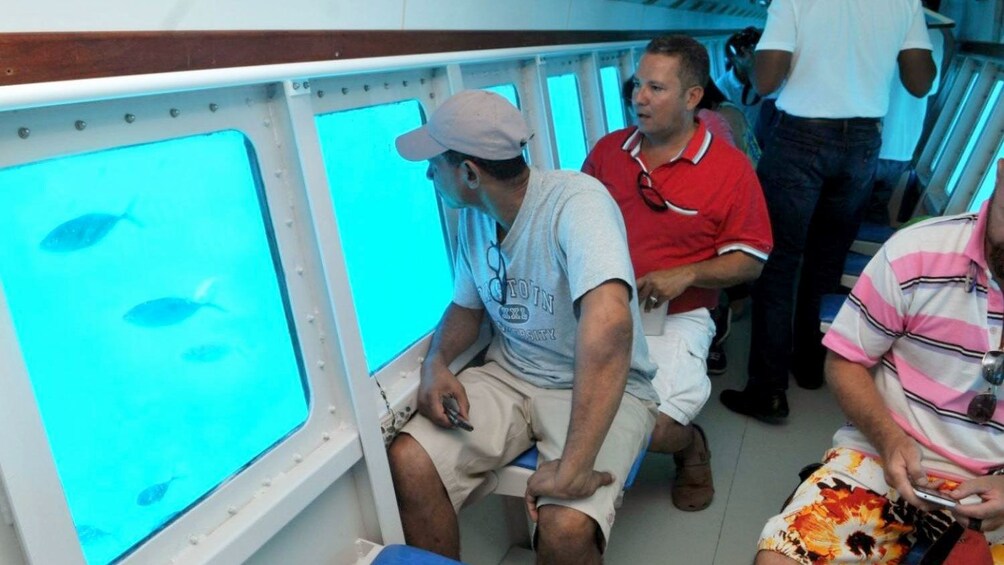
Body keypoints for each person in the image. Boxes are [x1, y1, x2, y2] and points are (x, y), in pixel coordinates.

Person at [387, 89, 659, 563]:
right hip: (511, 374)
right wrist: (436, 362)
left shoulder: (577, 202)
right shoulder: (475, 218)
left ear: (470, 173)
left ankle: (688, 447)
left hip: (592, 385)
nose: (429, 173)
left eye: (436, 163)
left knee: (566, 529)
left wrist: (574, 467)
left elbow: (611, 322)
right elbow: (466, 309)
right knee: (410, 461)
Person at [755, 159, 1004, 564]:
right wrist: (890, 439)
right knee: (780, 559)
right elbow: (844, 362)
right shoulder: (916, 253)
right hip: (885, 455)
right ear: (1001, 172)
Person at [723, 0, 937, 423]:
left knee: (777, 262)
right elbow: (920, 82)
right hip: (861, 144)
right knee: (826, 262)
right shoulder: (904, 3)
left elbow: (764, 81)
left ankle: (767, 389)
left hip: (801, 138)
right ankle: (808, 365)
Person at [583, 35, 773, 513]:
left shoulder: (730, 170)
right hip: (603, 309)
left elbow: (751, 259)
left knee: (654, 426)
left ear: (692, 97)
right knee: (579, 410)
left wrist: (686, 275)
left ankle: (690, 447)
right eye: (636, 85)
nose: (638, 98)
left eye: (656, 88)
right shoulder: (607, 152)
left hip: (677, 318)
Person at [865, 27, 946, 227]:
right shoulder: (934, 36)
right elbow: (930, 87)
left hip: (867, 138)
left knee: (842, 210)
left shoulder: (878, 25)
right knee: (876, 207)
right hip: (903, 146)